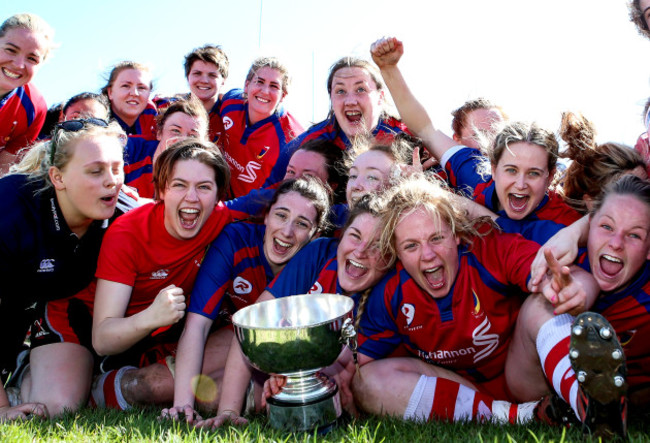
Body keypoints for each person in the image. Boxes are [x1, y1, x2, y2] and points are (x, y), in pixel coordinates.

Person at [342, 175, 595, 426]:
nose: (428, 255)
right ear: (397, 253)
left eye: (436, 238)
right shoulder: (391, 293)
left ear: (457, 235)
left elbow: (565, 277)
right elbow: (358, 365)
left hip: (521, 378)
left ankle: (588, 404)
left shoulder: (489, 249)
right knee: (367, 380)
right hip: (460, 392)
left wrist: (575, 290)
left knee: (545, 302)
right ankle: (512, 416)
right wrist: (340, 379)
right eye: (411, 246)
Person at [195, 194, 391, 428]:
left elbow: (347, 369)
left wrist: (290, 379)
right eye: (355, 236)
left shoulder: (390, 290)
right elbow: (253, 323)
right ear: (342, 236)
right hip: (293, 367)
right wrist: (228, 411)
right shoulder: (319, 254)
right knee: (193, 388)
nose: (360, 252)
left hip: (366, 378)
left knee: (208, 391)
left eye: (377, 245)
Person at [370, 37, 581, 245]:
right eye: (511, 170)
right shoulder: (474, 174)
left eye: (534, 173)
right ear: (494, 167)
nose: (521, 184)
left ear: (550, 176)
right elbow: (425, 129)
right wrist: (389, 70)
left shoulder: (570, 222)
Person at [161, 176, 331, 421]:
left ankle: (250, 399)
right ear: (266, 215)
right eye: (281, 215)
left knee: (213, 394)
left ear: (315, 235)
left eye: (302, 224)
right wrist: (182, 406)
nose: (287, 231)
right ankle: (106, 384)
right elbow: (198, 324)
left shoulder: (315, 262)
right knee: (153, 384)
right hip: (232, 338)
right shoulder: (235, 240)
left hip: (279, 357)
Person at [0, 118, 137, 416]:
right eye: (96, 170)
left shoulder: (125, 215)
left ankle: (30, 367)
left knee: (60, 406)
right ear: (58, 178)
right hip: (10, 301)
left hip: (62, 304)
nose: (112, 180)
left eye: (117, 168)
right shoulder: (10, 207)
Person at [90, 139, 232, 411]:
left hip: (168, 332)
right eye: (180, 184)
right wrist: (151, 317)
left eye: (203, 187)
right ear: (163, 190)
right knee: (60, 399)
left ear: (217, 197)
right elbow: (102, 339)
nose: (192, 197)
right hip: (102, 328)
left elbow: (269, 204)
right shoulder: (128, 234)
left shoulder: (220, 217)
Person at [530, 175, 650, 438]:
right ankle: (588, 405)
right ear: (590, 223)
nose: (616, 243)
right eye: (607, 227)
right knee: (542, 306)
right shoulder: (558, 244)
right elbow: (493, 228)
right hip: (529, 381)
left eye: (634, 235)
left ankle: (596, 406)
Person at [261, 56, 412, 190]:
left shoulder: (407, 137)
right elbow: (268, 195)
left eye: (360, 89)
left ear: (380, 97)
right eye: (340, 91)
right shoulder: (309, 143)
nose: (350, 101)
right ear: (331, 99)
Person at [217, 57, 303, 198]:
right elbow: (214, 99)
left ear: (283, 95)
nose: (264, 91)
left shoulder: (291, 138)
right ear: (247, 85)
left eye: (274, 86)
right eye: (259, 82)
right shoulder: (231, 102)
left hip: (254, 214)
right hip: (219, 198)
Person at [225, 138, 345, 221]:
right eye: (291, 172)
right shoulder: (263, 199)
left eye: (308, 176)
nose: (295, 181)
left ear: (331, 187)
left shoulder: (344, 222)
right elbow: (218, 213)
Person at [558, 111, 647, 213]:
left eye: (646, 185)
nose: (645, 196)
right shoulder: (552, 227)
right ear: (592, 203)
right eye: (632, 189)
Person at [0, 13, 55, 175]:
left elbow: (3, 169)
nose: (18, 65)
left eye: (32, 59)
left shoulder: (34, 108)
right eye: (11, 50)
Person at [123, 97, 208, 198]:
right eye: (175, 131)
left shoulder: (208, 174)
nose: (183, 141)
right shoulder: (130, 149)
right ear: (159, 133)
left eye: (193, 136)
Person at [184, 44, 229, 143]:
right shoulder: (166, 109)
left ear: (223, 80)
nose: (204, 80)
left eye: (212, 75)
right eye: (197, 73)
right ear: (188, 77)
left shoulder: (231, 113)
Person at [102, 61, 157, 140]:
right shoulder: (96, 121)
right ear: (110, 92)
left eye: (141, 88)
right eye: (126, 86)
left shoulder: (158, 121)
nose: (134, 93)